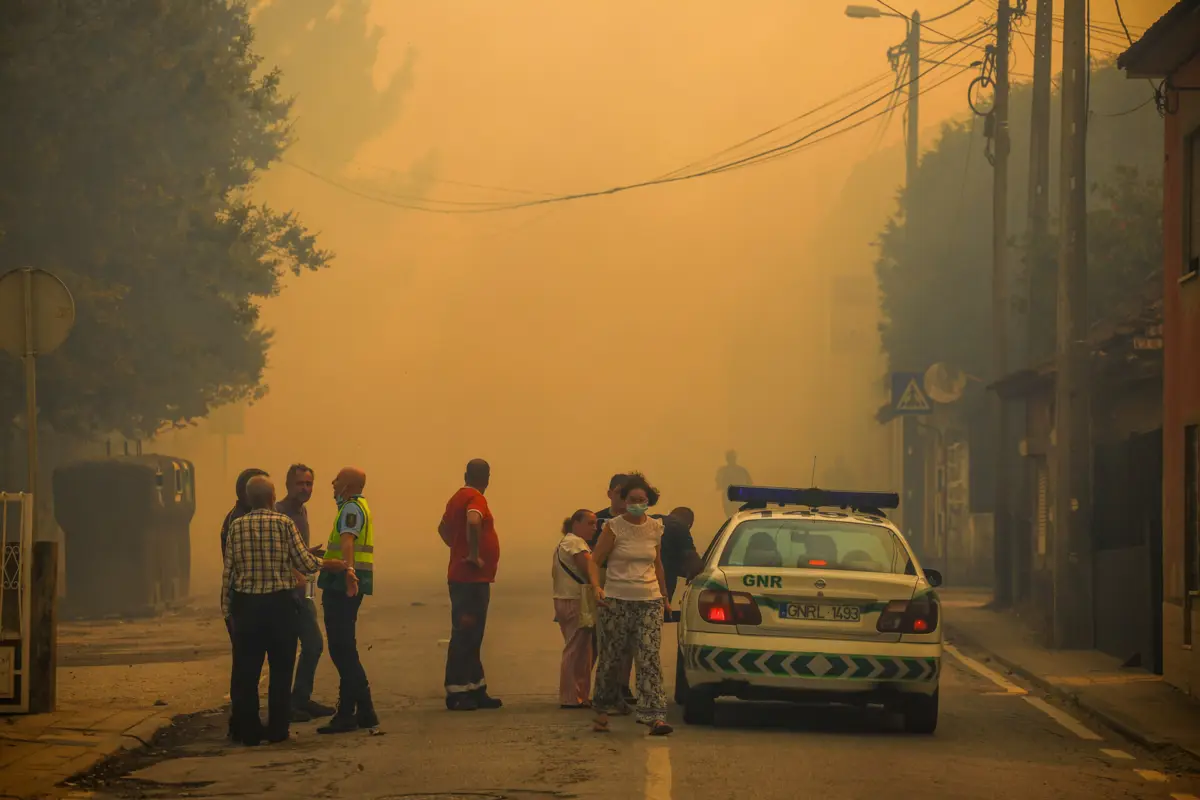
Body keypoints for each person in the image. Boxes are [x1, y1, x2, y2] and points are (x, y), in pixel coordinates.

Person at [221, 475, 348, 746]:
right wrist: (331, 564)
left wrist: (227, 610)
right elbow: (304, 561)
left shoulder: (237, 526)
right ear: (271, 498)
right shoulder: (283, 523)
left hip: (247, 607)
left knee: (248, 672)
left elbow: (228, 572)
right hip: (279, 607)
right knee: (280, 670)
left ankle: (249, 731)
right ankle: (278, 729)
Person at [590, 473, 673, 736]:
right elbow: (595, 560)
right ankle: (602, 709)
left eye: (643, 500)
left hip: (648, 600)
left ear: (649, 501)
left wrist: (664, 596)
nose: (638, 503)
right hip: (616, 601)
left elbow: (657, 564)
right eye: (633, 499)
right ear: (624, 501)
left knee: (649, 657)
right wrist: (596, 587)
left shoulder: (655, 528)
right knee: (612, 658)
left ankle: (654, 716)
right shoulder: (614, 527)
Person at [315, 467, 376, 734]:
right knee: (344, 648)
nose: (332, 482)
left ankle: (358, 710)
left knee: (342, 650)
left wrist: (348, 571)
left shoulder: (351, 509)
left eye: (337, 479)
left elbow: (348, 541)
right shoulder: (358, 506)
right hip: (347, 583)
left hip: (342, 585)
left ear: (348, 485)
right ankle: (359, 711)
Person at [438, 459, 503, 711]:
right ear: (487, 478)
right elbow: (474, 521)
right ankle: (456, 692)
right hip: (470, 579)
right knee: (465, 634)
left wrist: (457, 547)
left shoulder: (456, 497)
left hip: (463, 576)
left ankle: (476, 688)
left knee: (472, 634)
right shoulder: (475, 499)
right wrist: (474, 553)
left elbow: (442, 529)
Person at [275, 463, 336, 722]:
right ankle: (290, 704)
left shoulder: (302, 511)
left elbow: (297, 553)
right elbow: (276, 556)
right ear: (288, 485)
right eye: (300, 484)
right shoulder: (278, 513)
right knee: (305, 645)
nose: (305, 488)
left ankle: (300, 699)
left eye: (309, 484)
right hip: (286, 592)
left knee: (312, 645)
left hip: (305, 589)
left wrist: (309, 555)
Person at [219, 467, 268, 742]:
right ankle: (244, 723)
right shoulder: (239, 521)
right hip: (241, 601)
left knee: (245, 665)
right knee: (246, 666)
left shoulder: (240, 518)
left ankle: (242, 721)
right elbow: (236, 567)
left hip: (239, 600)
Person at [592, 473, 636, 705]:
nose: (622, 498)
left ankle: (622, 685)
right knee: (600, 638)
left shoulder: (638, 521)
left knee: (628, 639)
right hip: (604, 581)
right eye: (618, 493)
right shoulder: (597, 521)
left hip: (630, 583)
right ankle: (600, 687)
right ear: (609, 493)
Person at [553, 509, 602, 709]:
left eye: (596, 523)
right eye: (590, 523)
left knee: (583, 649)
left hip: (565, 599)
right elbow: (590, 568)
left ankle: (579, 695)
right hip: (575, 600)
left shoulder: (564, 543)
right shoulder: (575, 543)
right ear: (576, 523)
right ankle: (570, 697)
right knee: (575, 649)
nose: (595, 528)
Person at [661, 507, 704, 605]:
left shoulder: (654, 520)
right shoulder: (680, 527)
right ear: (689, 524)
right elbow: (692, 559)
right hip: (664, 580)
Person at [716, 450, 752, 518]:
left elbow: (719, 485)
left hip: (735, 500)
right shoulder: (741, 470)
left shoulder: (723, 471)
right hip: (734, 500)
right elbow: (750, 483)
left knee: (732, 517)